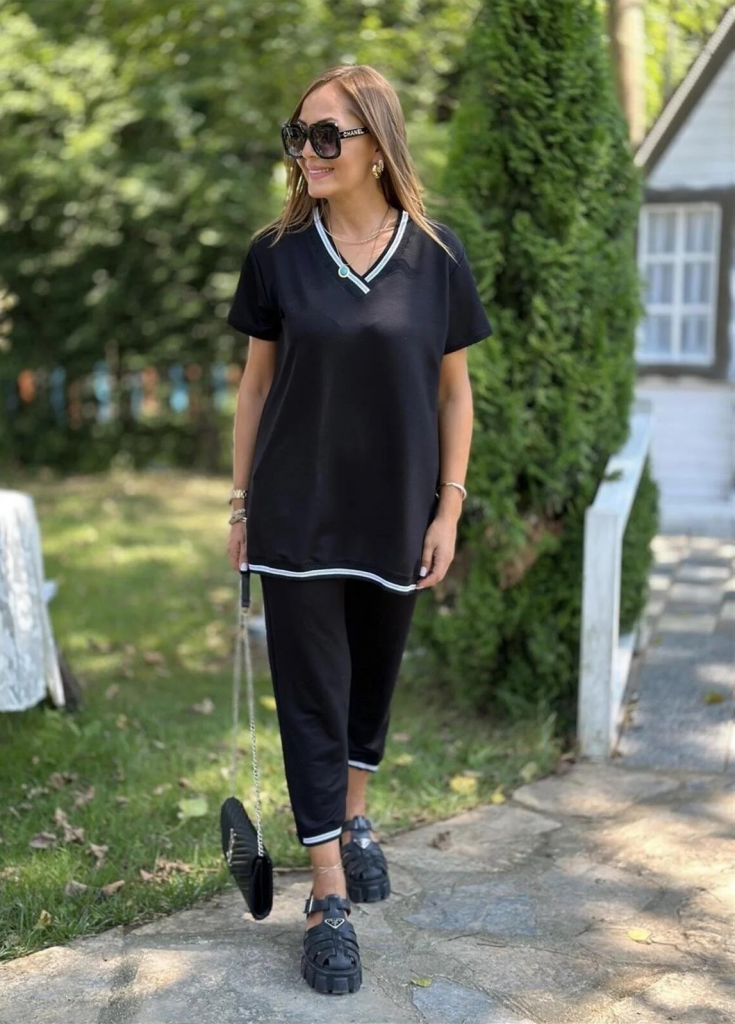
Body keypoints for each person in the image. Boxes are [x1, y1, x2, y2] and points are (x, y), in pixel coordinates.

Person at [226, 63, 492, 996]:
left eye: (326, 135)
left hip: (397, 510)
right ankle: (326, 891)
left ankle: (356, 816)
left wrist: (448, 506)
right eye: (297, 135)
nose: (307, 152)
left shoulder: (437, 254)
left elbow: (454, 393)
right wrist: (240, 504)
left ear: (376, 143)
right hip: (295, 509)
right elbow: (255, 387)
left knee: (370, 682)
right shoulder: (275, 254)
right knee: (311, 696)